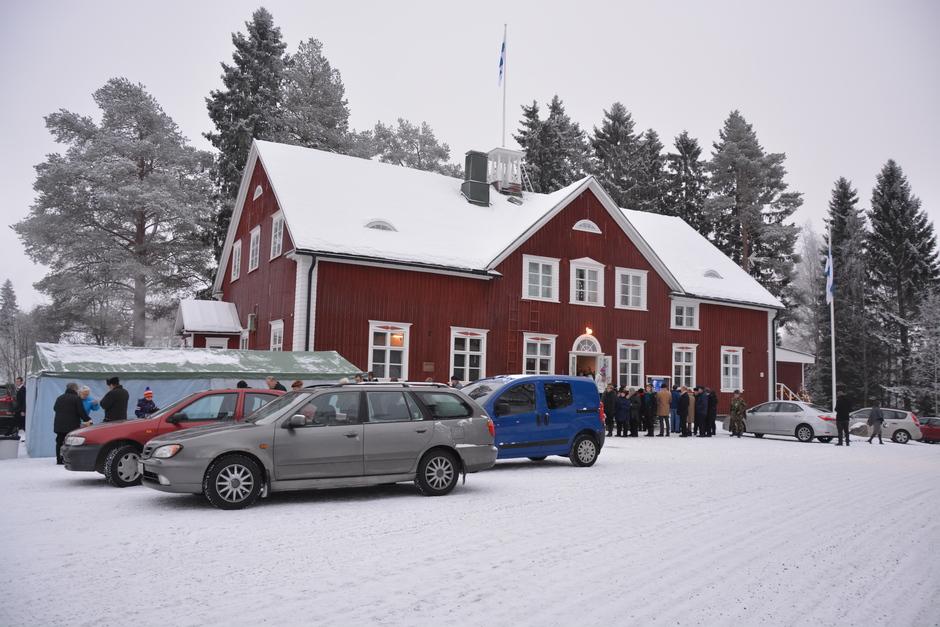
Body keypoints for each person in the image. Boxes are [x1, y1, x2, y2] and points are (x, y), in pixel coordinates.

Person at [53, 382, 90, 464]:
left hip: (59, 425)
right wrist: (88, 419)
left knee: (59, 442)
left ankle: (59, 459)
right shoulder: (76, 398)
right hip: (72, 425)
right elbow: (81, 412)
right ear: (74, 389)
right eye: (77, 389)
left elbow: (55, 408)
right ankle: (70, 459)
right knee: (72, 442)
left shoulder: (59, 398)